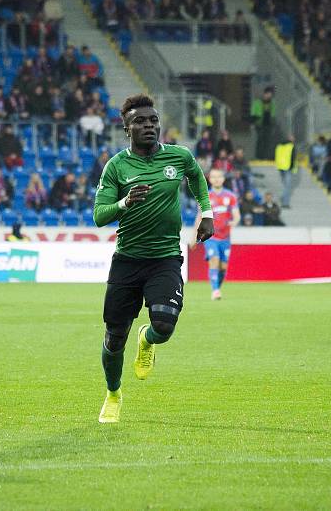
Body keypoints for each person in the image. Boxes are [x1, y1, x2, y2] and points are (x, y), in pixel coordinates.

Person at [93, 94, 214, 423]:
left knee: (164, 325)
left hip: (165, 259)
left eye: (153, 121)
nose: (149, 126)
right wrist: (124, 204)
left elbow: (196, 176)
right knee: (114, 338)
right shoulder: (117, 166)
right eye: (140, 122)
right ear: (126, 128)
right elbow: (99, 216)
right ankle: (113, 393)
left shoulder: (179, 157)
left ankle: (147, 338)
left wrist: (207, 212)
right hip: (128, 261)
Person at [201, 168, 240, 300]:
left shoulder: (230, 196)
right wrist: (193, 236)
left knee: (223, 267)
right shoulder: (206, 196)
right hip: (211, 236)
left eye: (219, 176)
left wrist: (234, 221)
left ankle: (217, 286)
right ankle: (215, 290)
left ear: (223, 179)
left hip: (225, 237)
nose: (217, 179)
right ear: (209, 179)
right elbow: (199, 216)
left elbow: (236, 215)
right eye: (214, 177)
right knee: (214, 260)